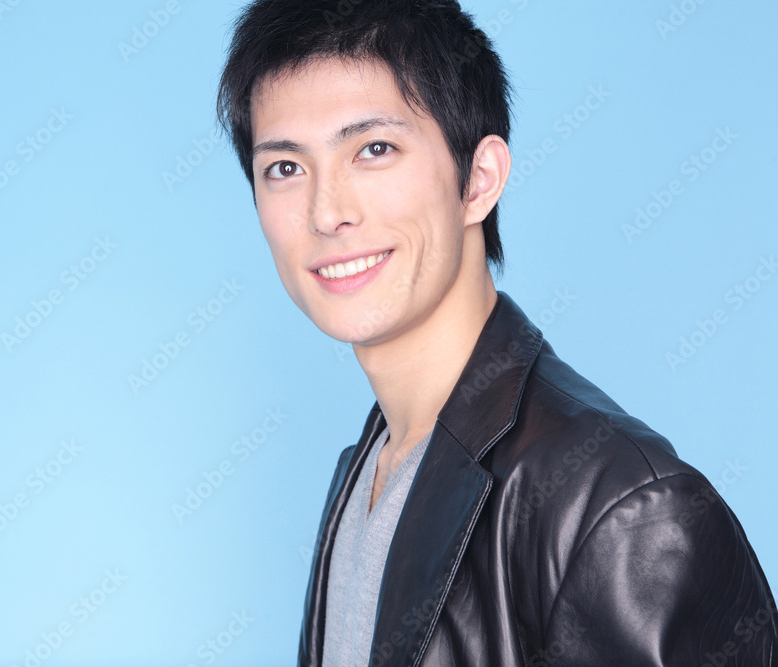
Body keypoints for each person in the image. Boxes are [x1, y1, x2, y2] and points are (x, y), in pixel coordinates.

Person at [215, 1, 777, 665]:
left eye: (373, 150)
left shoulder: (624, 507)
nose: (326, 212)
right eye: (285, 167)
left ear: (479, 180)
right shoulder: (366, 469)